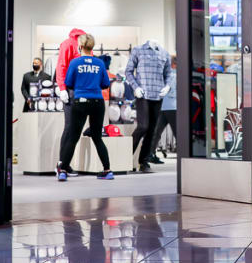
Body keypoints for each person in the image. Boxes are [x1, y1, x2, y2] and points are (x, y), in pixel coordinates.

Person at [57, 33, 113, 182]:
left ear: (80, 46)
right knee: (97, 138)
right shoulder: (100, 63)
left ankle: (63, 171)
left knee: (73, 137)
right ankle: (107, 170)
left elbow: (68, 82)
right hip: (97, 102)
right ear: (92, 46)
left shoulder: (75, 63)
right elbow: (106, 84)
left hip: (80, 101)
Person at [124, 40, 172, 173]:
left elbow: (168, 73)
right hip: (143, 94)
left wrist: (167, 86)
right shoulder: (138, 50)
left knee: (152, 130)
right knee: (143, 126)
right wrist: (135, 87)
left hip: (158, 95)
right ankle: (125, 158)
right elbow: (128, 72)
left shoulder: (164, 53)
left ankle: (143, 162)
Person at [148, 55, 178, 164]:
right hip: (173, 107)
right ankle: (184, 156)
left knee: (156, 132)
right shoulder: (175, 75)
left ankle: (150, 154)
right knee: (178, 133)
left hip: (163, 107)